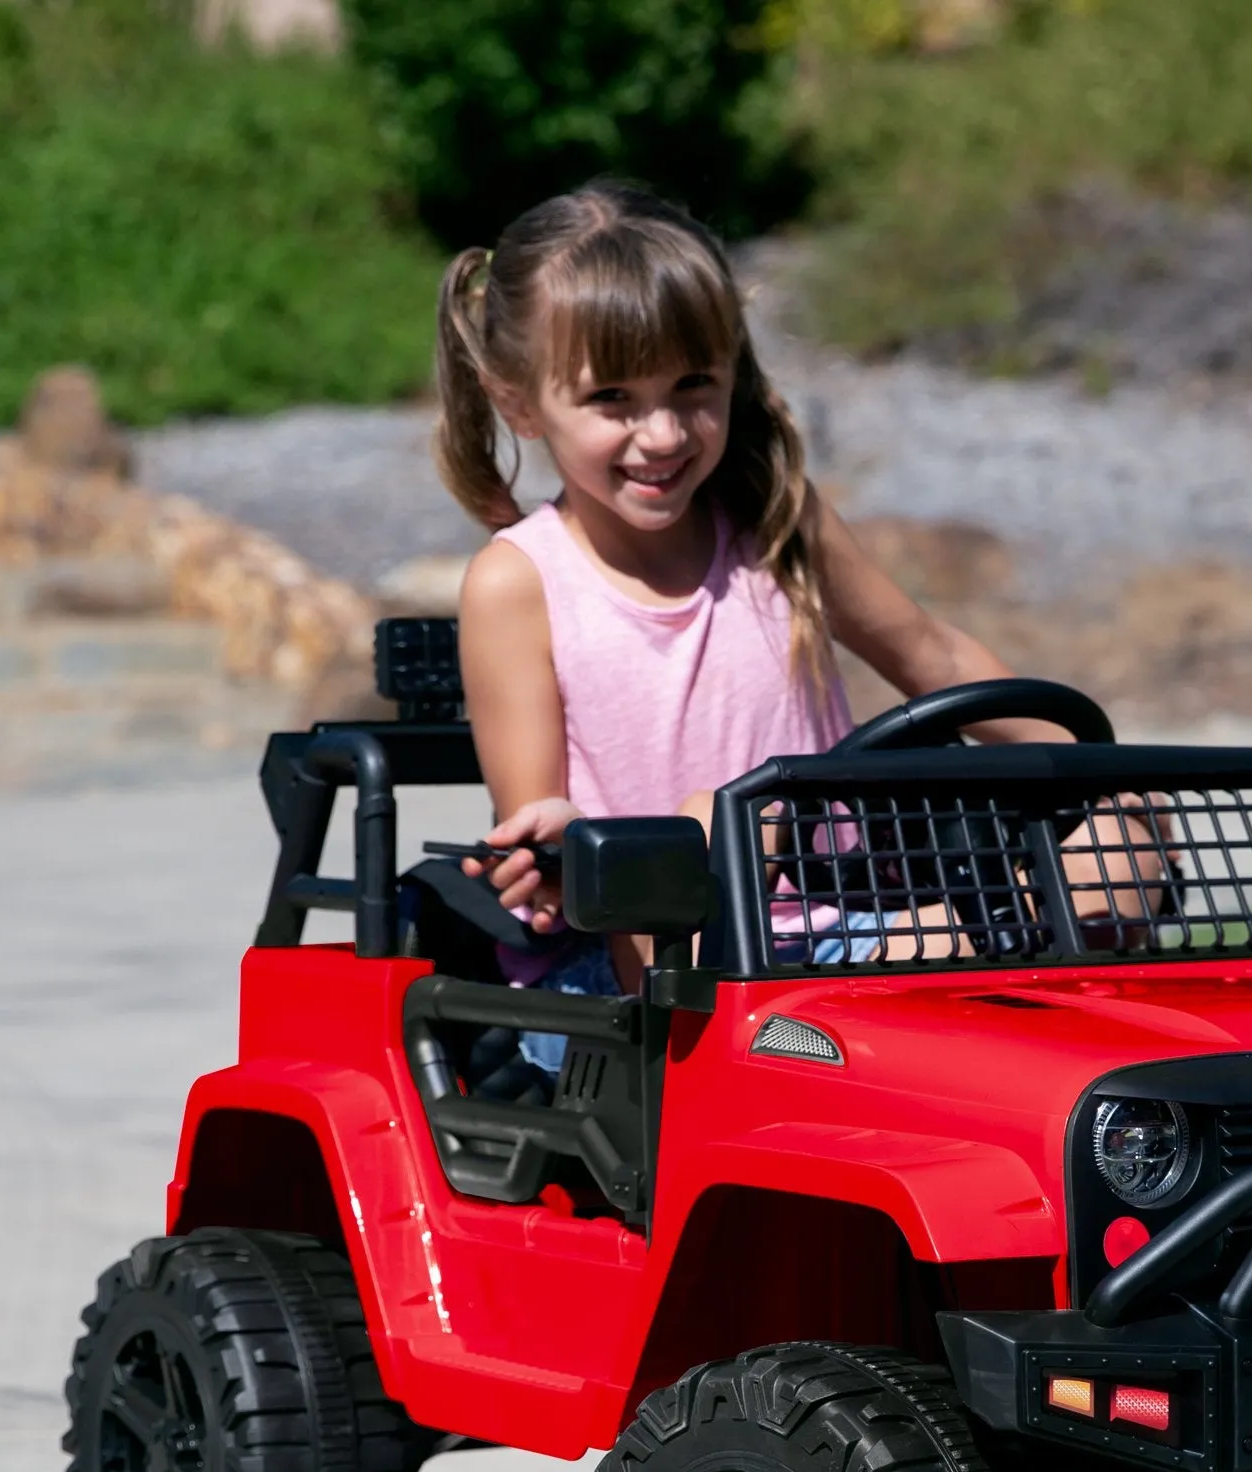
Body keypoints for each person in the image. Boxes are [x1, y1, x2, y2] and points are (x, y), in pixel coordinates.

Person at [433, 178, 1072, 1029]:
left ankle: (939, 946)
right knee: (717, 822)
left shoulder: (776, 520)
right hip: (636, 972)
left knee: (1123, 848)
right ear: (519, 402)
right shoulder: (520, 581)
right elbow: (540, 833)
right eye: (612, 398)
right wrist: (548, 847)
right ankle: (968, 945)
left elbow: (935, 658)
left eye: (693, 386)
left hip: (845, 921)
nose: (662, 435)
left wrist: (1100, 780)